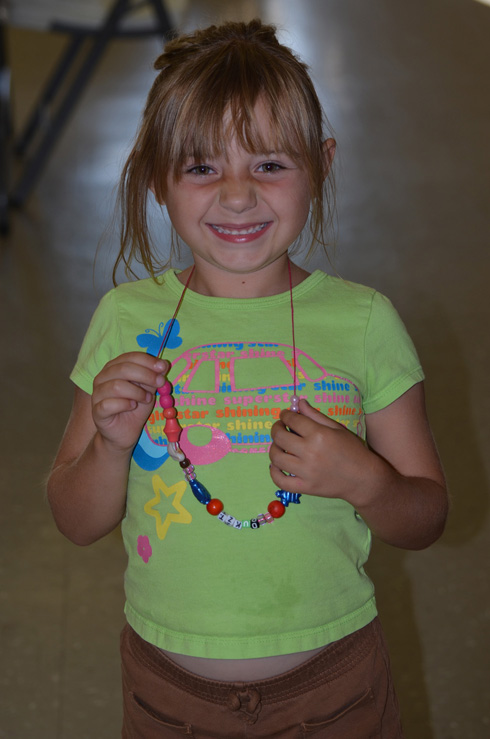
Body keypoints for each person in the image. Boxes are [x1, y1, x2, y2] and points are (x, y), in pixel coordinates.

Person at [46, 19, 448, 738]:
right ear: (155, 177)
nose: (237, 196)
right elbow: (75, 519)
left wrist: (366, 479)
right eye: (201, 167)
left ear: (321, 163)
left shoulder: (365, 323)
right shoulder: (123, 320)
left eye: (269, 164)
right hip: (166, 695)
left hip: (336, 690)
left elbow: (427, 515)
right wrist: (109, 447)